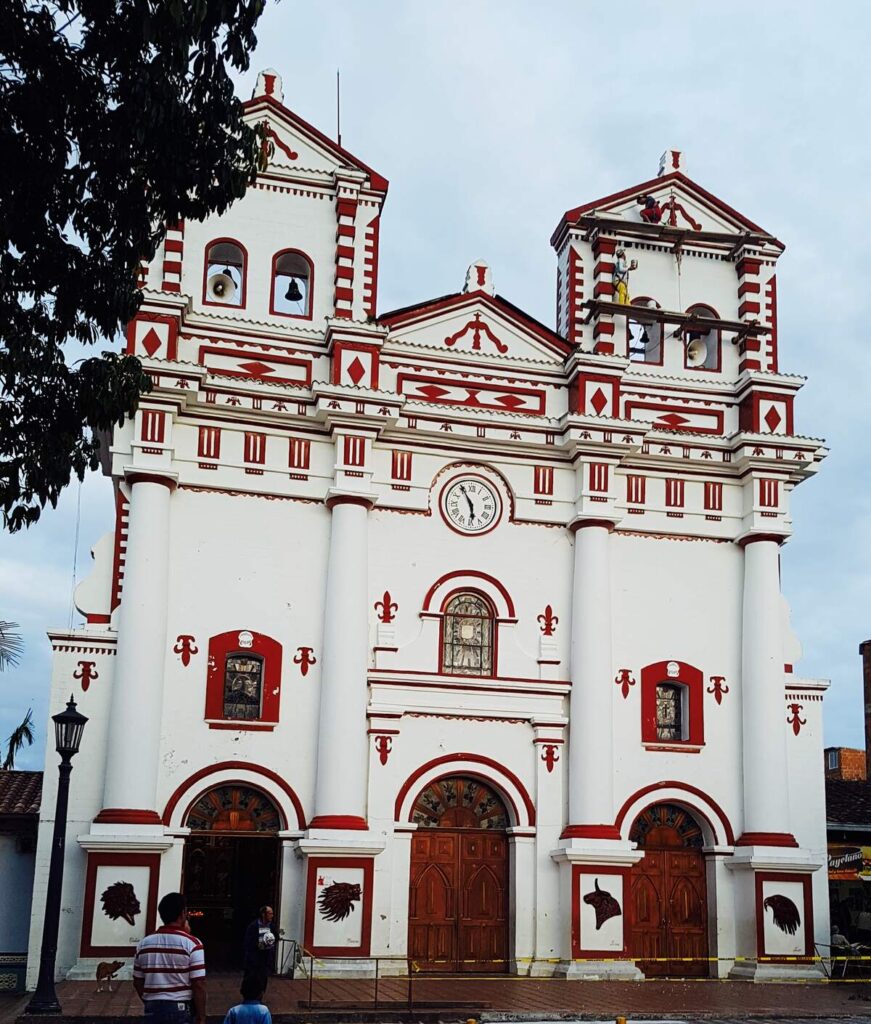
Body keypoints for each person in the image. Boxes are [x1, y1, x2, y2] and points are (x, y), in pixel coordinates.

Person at [133, 892, 206, 1024]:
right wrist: (201, 1016)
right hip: (180, 1007)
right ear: (183, 913)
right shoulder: (193, 944)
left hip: (152, 1007)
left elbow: (137, 981)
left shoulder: (143, 944)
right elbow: (198, 984)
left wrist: (150, 999)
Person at [243, 905, 276, 995]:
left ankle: (260, 994)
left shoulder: (271, 926)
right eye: (270, 913)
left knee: (263, 977)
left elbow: (276, 938)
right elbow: (248, 942)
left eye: (272, 913)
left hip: (265, 958)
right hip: (254, 958)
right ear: (263, 914)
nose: (272, 916)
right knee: (252, 977)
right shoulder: (254, 926)